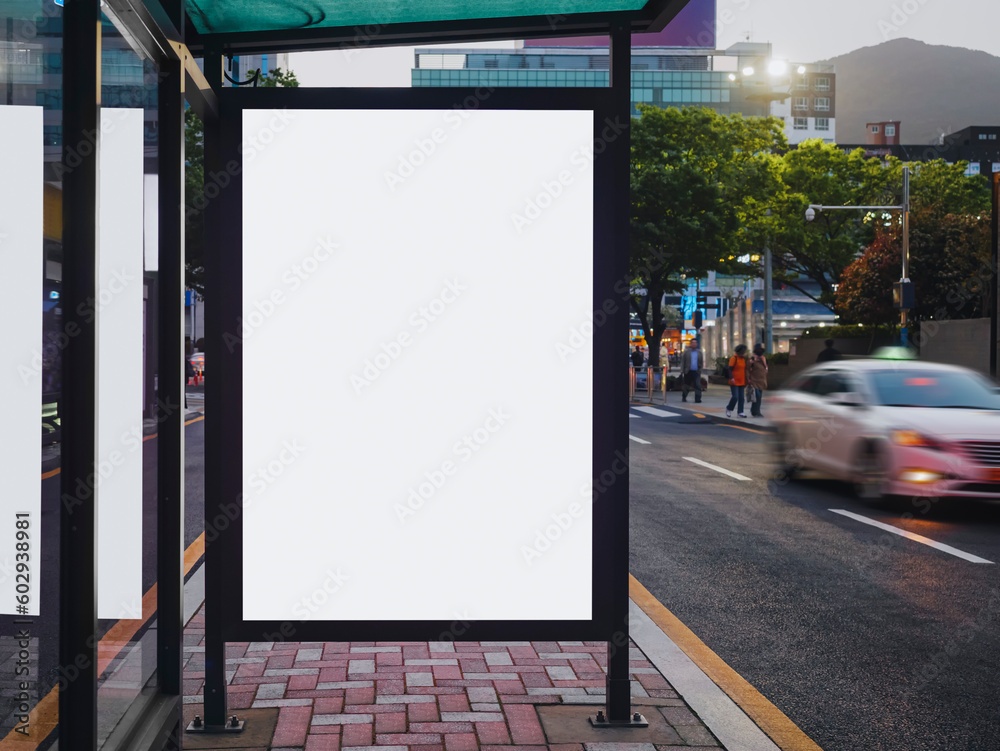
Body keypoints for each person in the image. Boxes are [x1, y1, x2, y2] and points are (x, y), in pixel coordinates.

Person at [725, 344, 749, 418]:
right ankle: (729, 408)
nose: (745, 353)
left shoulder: (743, 359)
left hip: (742, 380)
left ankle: (740, 412)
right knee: (735, 397)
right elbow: (729, 369)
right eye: (744, 351)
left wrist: (747, 379)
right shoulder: (734, 358)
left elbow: (745, 370)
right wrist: (731, 378)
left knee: (741, 397)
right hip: (734, 381)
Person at [747, 344, 768, 417]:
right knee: (757, 396)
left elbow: (766, 368)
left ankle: (756, 411)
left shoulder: (763, 359)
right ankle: (755, 411)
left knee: (759, 397)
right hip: (754, 380)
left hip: (761, 381)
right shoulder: (752, 358)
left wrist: (762, 360)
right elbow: (748, 368)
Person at [680, 339, 703, 403]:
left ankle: (698, 399)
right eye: (692, 343)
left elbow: (701, 362)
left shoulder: (699, 352)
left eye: (695, 343)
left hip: (696, 371)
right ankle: (684, 396)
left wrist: (700, 369)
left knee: (697, 385)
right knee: (686, 385)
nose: (694, 344)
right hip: (688, 371)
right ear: (690, 344)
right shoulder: (687, 352)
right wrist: (682, 370)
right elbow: (683, 361)